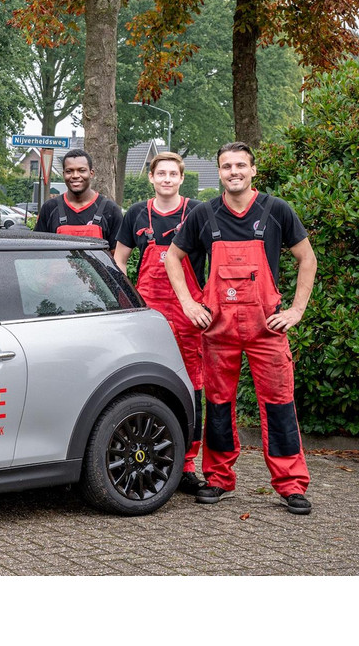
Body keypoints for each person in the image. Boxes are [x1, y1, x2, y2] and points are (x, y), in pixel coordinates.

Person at [165, 142, 317, 515]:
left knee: (279, 404)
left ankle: (291, 484)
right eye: (226, 166)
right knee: (218, 405)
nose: (234, 172)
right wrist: (189, 304)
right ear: (219, 172)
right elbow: (172, 257)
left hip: (267, 328)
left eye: (240, 165)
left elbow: (307, 258)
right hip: (219, 329)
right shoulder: (204, 214)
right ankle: (218, 478)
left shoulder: (276, 210)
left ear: (253, 170)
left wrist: (296, 310)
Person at [114, 152, 207, 494]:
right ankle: (145, 456)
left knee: (192, 385)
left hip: (189, 314)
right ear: (151, 177)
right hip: (148, 315)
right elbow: (119, 260)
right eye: (161, 173)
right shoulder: (137, 213)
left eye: (173, 174)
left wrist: (205, 304)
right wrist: (128, 301)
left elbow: (217, 258)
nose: (167, 179)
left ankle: (187, 464)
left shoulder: (198, 212)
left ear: (181, 178)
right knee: (146, 380)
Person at [33, 148, 123, 250]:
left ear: (91, 173)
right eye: (69, 171)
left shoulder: (110, 210)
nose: (75, 176)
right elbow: (38, 251)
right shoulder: (50, 208)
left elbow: (117, 256)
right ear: (63, 174)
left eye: (82, 170)